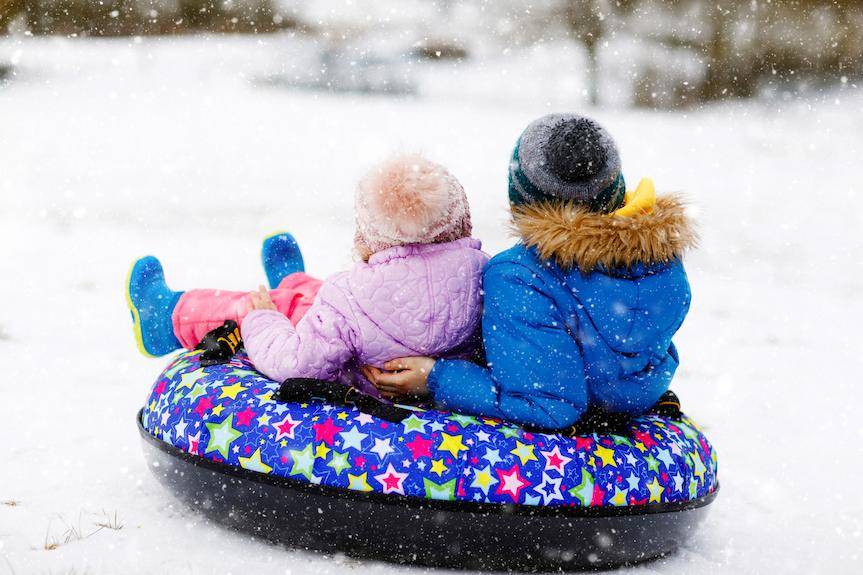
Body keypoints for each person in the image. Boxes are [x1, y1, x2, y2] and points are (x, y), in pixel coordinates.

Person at [366, 114, 697, 430]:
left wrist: (435, 377)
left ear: (523, 200)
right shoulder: (662, 255)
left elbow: (547, 405)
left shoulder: (518, 276)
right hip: (632, 400)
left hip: (562, 427)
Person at [126, 154, 489, 398]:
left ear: (370, 234)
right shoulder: (485, 274)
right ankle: (293, 281)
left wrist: (261, 320)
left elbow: (297, 363)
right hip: (417, 372)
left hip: (363, 376)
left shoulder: (348, 297)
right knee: (315, 297)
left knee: (268, 307)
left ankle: (167, 317)